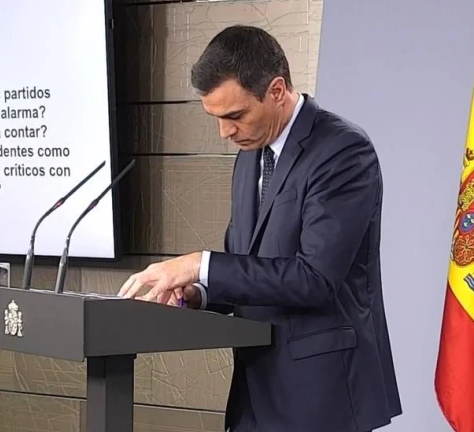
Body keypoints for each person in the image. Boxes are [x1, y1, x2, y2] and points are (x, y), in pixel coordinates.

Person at [118, 25, 402, 432]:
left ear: (277, 90)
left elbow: (315, 279)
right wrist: (198, 293)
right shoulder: (251, 154)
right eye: (216, 118)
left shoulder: (342, 151)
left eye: (235, 116)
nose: (225, 132)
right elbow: (249, 267)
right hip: (256, 394)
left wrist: (199, 264)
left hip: (322, 399)